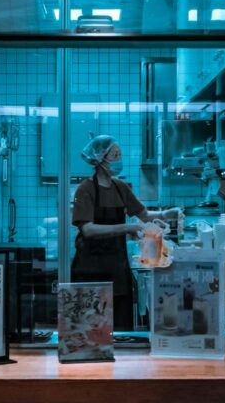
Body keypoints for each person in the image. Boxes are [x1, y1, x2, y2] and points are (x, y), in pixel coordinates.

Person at [71, 134, 180, 331]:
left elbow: (144, 214)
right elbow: (87, 229)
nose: (119, 159)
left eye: (119, 154)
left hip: (117, 269)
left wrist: (166, 213)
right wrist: (127, 227)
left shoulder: (120, 187)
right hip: (90, 270)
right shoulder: (85, 189)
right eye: (115, 154)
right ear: (100, 158)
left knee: (121, 329)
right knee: (91, 331)